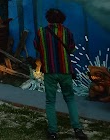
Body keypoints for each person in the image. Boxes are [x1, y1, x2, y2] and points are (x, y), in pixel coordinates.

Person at [34, 8, 87, 140]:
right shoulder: (67, 32)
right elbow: (73, 50)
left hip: (50, 71)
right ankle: (78, 129)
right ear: (62, 19)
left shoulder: (41, 32)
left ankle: (53, 132)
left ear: (48, 18)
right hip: (65, 71)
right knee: (70, 99)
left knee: (50, 101)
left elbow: (37, 46)